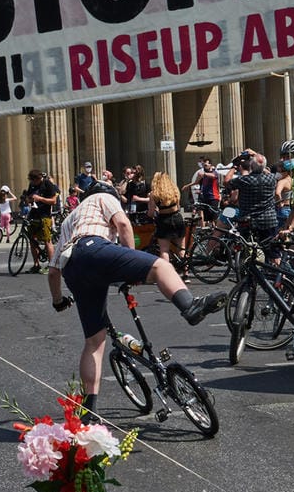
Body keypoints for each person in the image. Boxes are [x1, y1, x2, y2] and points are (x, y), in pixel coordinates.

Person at [44, 180, 217, 420]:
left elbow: (53, 272)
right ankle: (189, 306)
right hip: (94, 247)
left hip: (72, 267)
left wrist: (58, 300)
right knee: (160, 267)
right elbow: (123, 224)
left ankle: (90, 408)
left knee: (94, 341)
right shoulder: (103, 198)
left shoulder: (67, 221)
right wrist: (129, 262)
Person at [221, 151, 281, 243]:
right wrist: (257, 159)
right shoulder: (271, 179)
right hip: (268, 220)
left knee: (245, 246)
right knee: (272, 250)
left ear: (251, 167)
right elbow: (267, 172)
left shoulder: (244, 180)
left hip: (248, 221)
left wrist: (234, 166)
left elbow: (226, 182)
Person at [24, 170, 60, 267]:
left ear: (39, 178)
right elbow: (28, 198)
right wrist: (29, 199)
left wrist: (40, 199)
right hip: (33, 214)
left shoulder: (47, 184)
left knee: (47, 241)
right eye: (32, 181)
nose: (34, 183)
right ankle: (36, 264)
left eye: (35, 181)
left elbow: (53, 201)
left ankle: (51, 265)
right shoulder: (31, 184)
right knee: (32, 240)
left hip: (44, 215)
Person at [149, 171, 186, 261]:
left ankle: (167, 272)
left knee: (164, 250)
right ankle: (186, 270)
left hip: (164, 220)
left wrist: (153, 213)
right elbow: (178, 206)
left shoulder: (153, 194)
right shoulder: (174, 191)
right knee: (181, 248)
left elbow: (151, 212)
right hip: (177, 218)